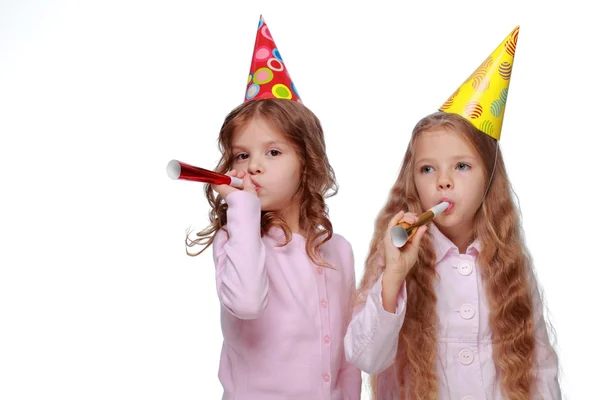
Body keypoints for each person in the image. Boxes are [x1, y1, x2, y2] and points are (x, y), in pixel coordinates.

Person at [344, 26, 561, 399]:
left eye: (461, 166)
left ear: (489, 178)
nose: (443, 182)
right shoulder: (399, 260)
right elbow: (367, 358)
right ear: (412, 181)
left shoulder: (510, 265)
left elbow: (540, 368)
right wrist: (394, 275)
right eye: (428, 169)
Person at [186, 15, 361, 400]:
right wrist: (243, 211)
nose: (254, 166)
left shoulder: (339, 250)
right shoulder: (236, 239)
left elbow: (347, 356)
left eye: (274, 152)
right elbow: (247, 303)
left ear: (308, 162)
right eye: (242, 155)